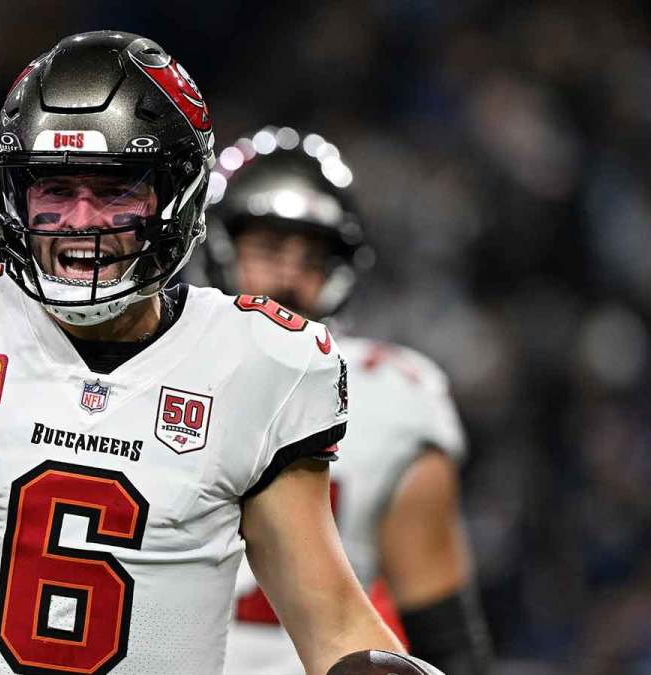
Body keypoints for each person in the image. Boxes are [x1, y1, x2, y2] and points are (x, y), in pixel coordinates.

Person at [0, 33, 417, 675]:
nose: (81, 222)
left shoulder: (256, 362)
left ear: (176, 195)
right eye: (56, 189)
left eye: (115, 189)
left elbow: (333, 626)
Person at [191, 126, 491, 674]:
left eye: (312, 258)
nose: (289, 276)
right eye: (269, 248)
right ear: (218, 244)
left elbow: (445, 636)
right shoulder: (154, 363)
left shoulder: (392, 400)